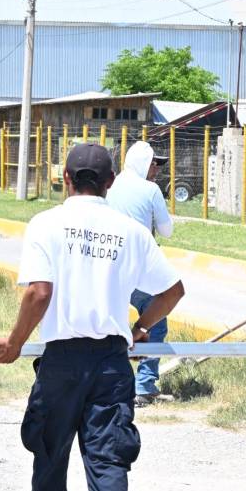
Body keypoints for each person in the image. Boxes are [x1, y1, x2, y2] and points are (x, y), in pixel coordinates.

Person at [0, 143, 185, 491]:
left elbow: (38, 293)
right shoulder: (131, 231)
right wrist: (143, 325)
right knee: (109, 456)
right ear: (111, 183)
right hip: (111, 361)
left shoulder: (46, 224)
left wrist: (14, 344)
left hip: (61, 360)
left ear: (65, 179)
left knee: (49, 451)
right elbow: (173, 290)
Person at [106, 141, 174, 407]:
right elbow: (167, 231)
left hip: (109, 267)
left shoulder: (111, 184)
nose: (157, 169)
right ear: (143, 164)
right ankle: (144, 386)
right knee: (155, 319)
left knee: (112, 325)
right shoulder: (151, 190)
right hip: (139, 268)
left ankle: (111, 380)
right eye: (154, 164)